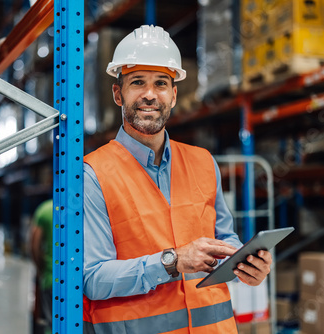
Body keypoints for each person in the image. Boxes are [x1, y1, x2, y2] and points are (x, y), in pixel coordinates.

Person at [83, 25, 272, 334]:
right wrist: (171, 262)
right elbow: (93, 278)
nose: (149, 94)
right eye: (137, 82)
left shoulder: (203, 162)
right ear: (118, 94)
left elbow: (226, 239)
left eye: (161, 83)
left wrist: (244, 265)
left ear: (173, 94)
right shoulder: (93, 174)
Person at [30, 199, 53, 334]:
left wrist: (40, 269)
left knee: (49, 323)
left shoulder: (44, 209)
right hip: (79, 280)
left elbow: (34, 245)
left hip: (50, 277)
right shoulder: (79, 207)